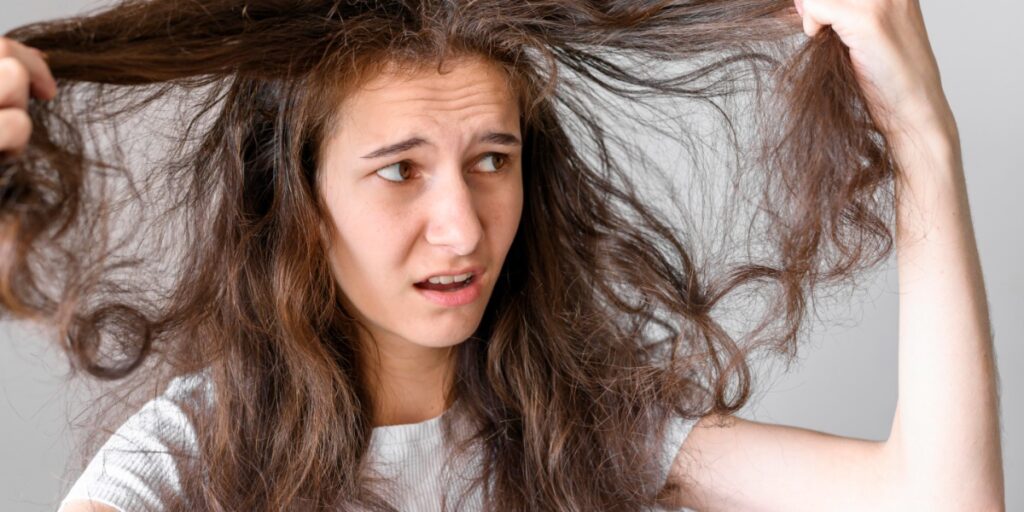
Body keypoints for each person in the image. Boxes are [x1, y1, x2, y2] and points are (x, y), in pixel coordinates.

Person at [0, 0, 1003, 510]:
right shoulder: (183, 465)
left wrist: (921, 135)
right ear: (299, 204)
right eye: (399, 171)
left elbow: (937, 497)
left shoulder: (589, 432)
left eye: (492, 159)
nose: (464, 226)